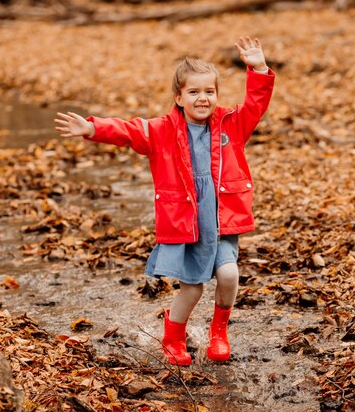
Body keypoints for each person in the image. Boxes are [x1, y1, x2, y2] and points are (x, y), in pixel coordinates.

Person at [55, 36, 274, 366]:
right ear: (179, 97)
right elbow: (128, 131)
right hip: (188, 224)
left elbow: (256, 102)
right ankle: (173, 339)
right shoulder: (161, 130)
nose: (203, 98)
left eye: (209, 92)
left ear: (216, 95)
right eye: (194, 92)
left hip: (222, 221)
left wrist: (257, 67)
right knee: (193, 288)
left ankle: (219, 332)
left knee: (229, 275)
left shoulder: (232, 123)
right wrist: (91, 128)